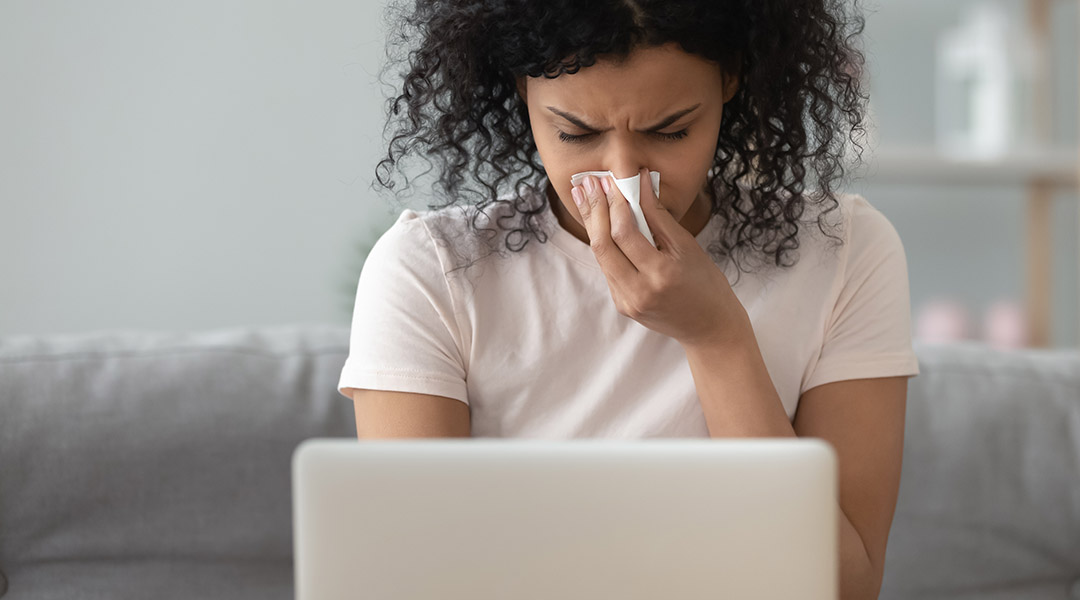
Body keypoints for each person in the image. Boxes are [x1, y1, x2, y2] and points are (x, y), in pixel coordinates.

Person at [339, 1, 918, 598]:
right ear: (521, 89)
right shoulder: (433, 269)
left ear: (731, 79)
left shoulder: (841, 250)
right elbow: (409, 575)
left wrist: (717, 338)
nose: (623, 176)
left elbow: (845, 586)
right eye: (576, 133)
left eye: (670, 131)